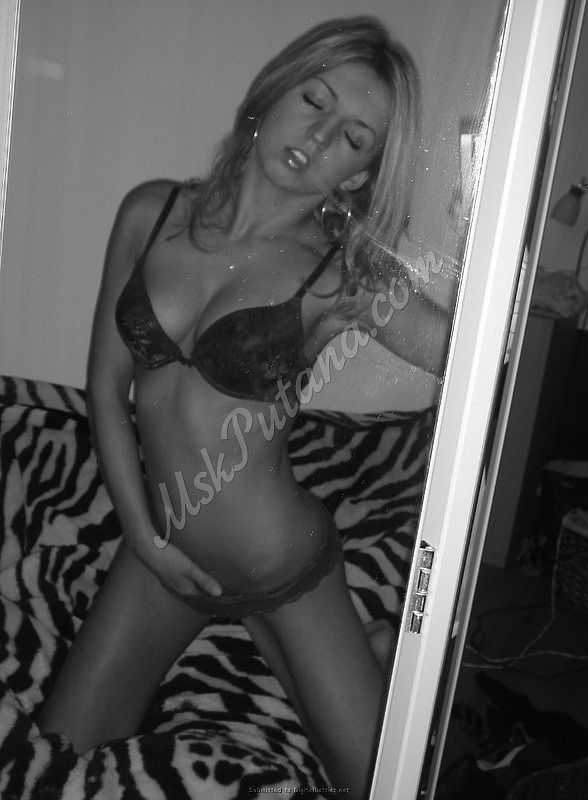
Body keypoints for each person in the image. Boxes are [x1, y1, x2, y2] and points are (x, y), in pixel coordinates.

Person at [37, 15, 448, 798]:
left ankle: (371, 644)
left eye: (353, 138)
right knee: (53, 762)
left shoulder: (338, 275)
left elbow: (466, 355)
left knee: (382, 785)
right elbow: (105, 387)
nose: (318, 136)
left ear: (357, 177)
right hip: (165, 558)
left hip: (283, 566)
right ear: (274, 93)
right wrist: (145, 538)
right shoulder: (150, 212)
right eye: (314, 100)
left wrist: (516, 297)